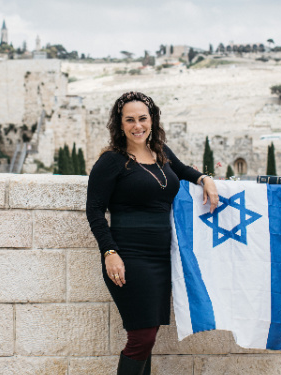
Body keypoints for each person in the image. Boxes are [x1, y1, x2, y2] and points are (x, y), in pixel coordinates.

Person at [86, 91, 219, 374]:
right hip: (129, 256)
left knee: (148, 337)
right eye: (130, 120)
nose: (137, 126)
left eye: (142, 118)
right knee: (142, 337)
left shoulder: (161, 152)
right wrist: (109, 252)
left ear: (152, 119)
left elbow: (183, 171)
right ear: (119, 124)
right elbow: (95, 211)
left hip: (162, 257)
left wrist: (205, 179)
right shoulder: (111, 161)